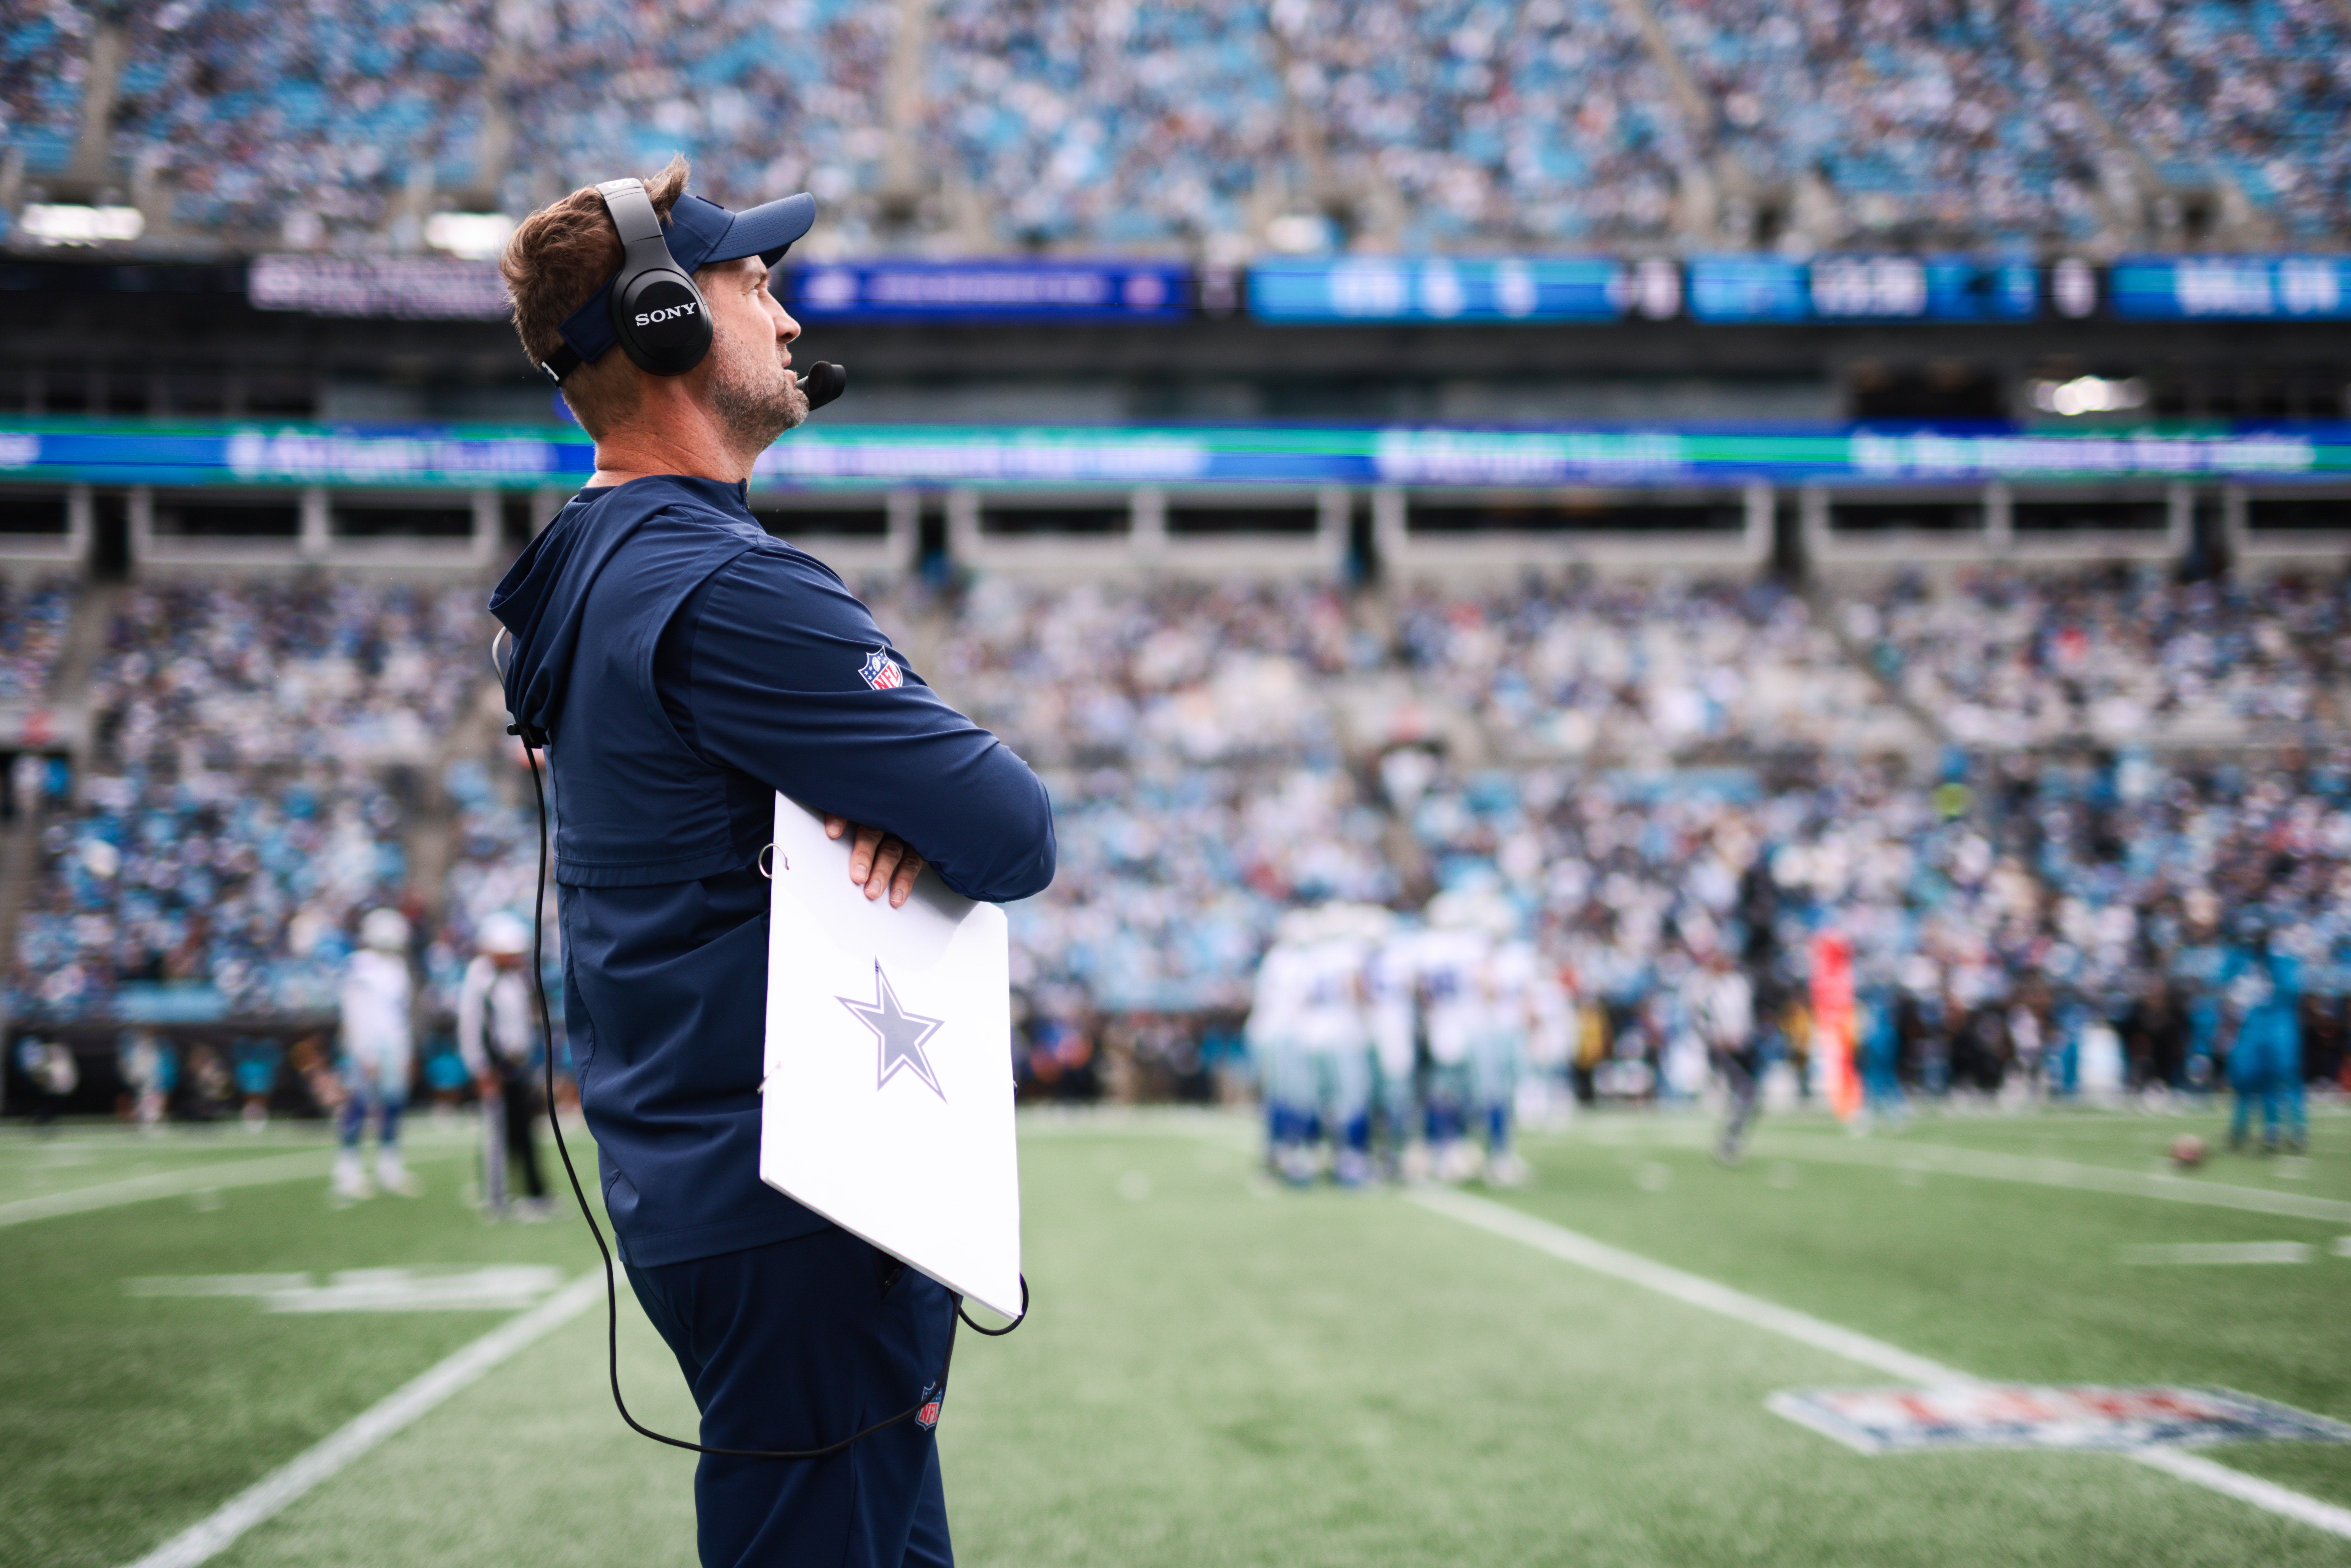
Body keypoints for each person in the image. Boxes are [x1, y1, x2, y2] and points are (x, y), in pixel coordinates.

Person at [492, 157, 1055, 1568]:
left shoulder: (572, 573)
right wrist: (872, 804)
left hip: (703, 1177)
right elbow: (1012, 827)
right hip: (800, 1188)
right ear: (669, 319)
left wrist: (840, 800)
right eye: (754, 282)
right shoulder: (728, 583)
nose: (791, 317)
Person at [458, 911, 550, 1219]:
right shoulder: (481, 978)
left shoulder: (511, 978)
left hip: (517, 1065)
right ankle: (496, 1197)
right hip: (497, 1067)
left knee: (522, 1129)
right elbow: (472, 1028)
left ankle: (534, 1193)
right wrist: (481, 1068)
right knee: (497, 1132)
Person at [335, 907, 419, 1201]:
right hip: (369, 1045)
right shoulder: (360, 966)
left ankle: (389, 1167)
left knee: (393, 1106)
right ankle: (348, 1169)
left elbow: (400, 1016)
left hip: (393, 1045)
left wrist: (405, 1052)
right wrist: (364, 1051)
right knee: (358, 1104)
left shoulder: (397, 968)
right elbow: (356, 1014)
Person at [1689, 947, 1759, 1164]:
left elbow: (1744, 1015)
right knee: (1745, 1092)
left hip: (1742, 1047)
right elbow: (1701, 1018)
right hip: (1722, 1049)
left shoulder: (1739, 983)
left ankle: (1731, 1138)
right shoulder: (1706, 986)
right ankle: (1729, 1141)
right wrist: (1716, 1038)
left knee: (1747, 1096)